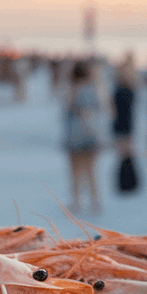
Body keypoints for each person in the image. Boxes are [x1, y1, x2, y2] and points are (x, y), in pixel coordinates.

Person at [64, 61, 102, 214]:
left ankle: (76, 202)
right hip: (89, 135)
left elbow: (66, 112)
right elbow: (97, 110)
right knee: (91, 171)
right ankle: (94, 202)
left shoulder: (70, 90)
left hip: (73, 135)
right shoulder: (92, 89)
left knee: (75, 172)